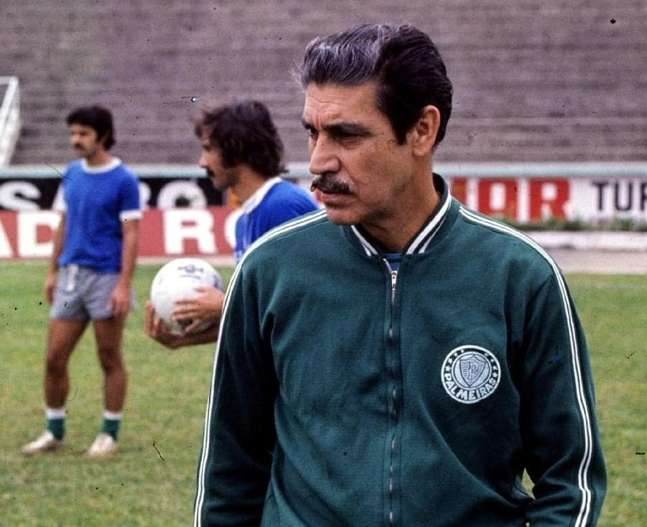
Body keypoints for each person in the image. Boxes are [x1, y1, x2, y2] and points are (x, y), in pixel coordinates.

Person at [193, 24, 607, 526]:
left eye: (346, 135)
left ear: (422, 130)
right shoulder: (268, 270)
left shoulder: (520, 276)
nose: (318, 161)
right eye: (313, 132)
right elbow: (229, 474)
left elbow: (570, 479)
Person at [144, 100, 317, 349]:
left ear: (235, 149)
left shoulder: (282, 206)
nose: (202, 162)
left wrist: (225, 303)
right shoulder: (245, 220)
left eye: (208, 149)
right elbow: (259, 320)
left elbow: (306, 301)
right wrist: (182, 340)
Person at [22, 105, 140, 458]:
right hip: (71, 277)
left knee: (109, 357)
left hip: (106, 277)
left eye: (84, 133)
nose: (76, 139)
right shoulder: (71, 173)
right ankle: (53, 431)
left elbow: (131, 234)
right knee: (54, 357)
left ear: (103, 136)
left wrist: (123, 284)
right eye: (73, 132)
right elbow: (63, 224)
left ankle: (109, 433)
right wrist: (52, 270)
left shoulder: (124, 179)